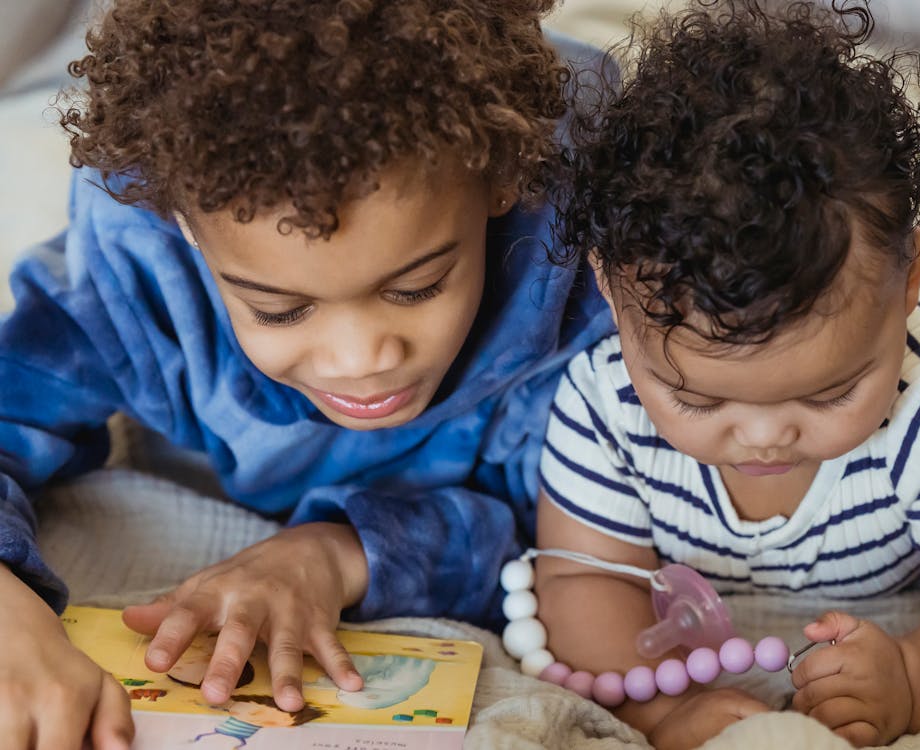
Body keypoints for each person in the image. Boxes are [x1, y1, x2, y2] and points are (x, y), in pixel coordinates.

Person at [0, 0, 610, 748]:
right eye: (280, 310)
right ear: (183, 224)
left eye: (416, 288)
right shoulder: (138, 269)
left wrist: (338, 552)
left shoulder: (597, 272)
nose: (360, 360)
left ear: (501, 183)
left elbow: (594, 548)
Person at [532, 2, 920, 748]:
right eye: (693, 396)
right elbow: (582, 583)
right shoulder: (601, 399)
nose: (763, 435)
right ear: (610, 293)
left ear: (908, 277)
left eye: (829, 392)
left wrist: (918, 677)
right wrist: (663, 710)